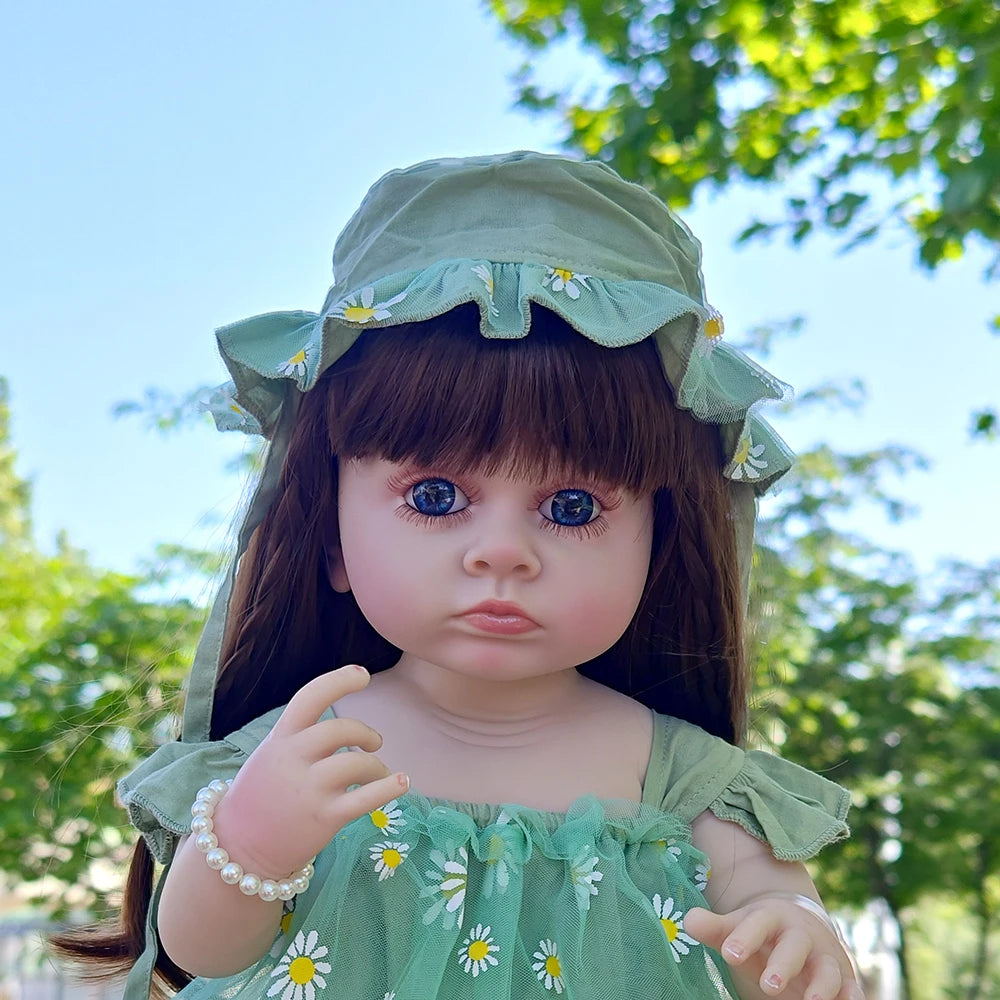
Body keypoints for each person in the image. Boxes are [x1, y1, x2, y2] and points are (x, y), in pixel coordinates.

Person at [55, 152, 862, 1000]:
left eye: (573, 507)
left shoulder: (678, 775)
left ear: (656, 550)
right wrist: (250, 846)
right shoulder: (307, 745)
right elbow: (200, 953)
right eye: (435, 497)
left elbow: (772, 902)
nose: (502, 552)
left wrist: (792, 930)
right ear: (331, 541)